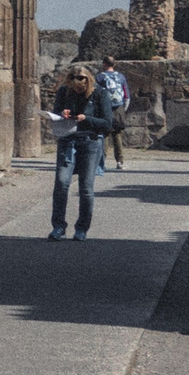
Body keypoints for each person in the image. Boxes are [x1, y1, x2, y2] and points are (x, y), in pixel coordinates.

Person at [48, 64, 119, 239]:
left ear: (88, 80)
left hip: (90, 141)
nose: (77, 83)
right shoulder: (64, 92)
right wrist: (62, 113)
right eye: (73, 79)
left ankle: (82, 228)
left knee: (86, 188)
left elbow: (107, 123)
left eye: (80, 79)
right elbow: (55, 113)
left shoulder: (99, 93)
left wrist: (86, 118)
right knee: (61, 184)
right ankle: (58, 227)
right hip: (68, 140)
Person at [97, 55, 130, 170]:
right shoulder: (120, 76)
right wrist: (123, 109)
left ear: (104, 64)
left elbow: (96, 94)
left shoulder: (100, 77)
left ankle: (101, 162)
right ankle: (120, 161)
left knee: (104, 135)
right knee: (117, 135)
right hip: (118, 108)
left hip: (105, 108)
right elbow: (126, 96)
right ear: (114, 64)